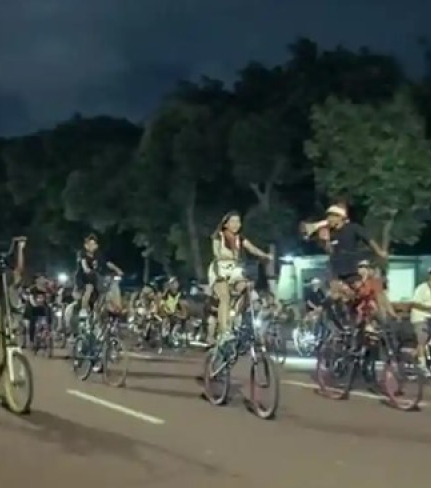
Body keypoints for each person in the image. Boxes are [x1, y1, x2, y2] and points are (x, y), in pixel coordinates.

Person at [208, 210, 272, 341]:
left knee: (247, 287)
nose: (236, 224)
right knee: (224, 297)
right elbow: (217, 253)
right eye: (233, 221)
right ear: (225, 224)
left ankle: (234, 316)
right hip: (220, 270)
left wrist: (265, 255)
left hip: (234, 270)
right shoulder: (219, 236)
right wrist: (230, 256)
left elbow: (252, 248)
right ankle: (224, 330)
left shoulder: (240, 238)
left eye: (238, 221)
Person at [74, 234, 123, 324]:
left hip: (94, 276)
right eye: (90, 244)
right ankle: (83, 310)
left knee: (105, 290)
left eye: (94, 244)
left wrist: (117, 269)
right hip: (83, 277)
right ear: (86, 245)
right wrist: (86, 269)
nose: (92, 246)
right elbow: (83, 263)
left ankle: (101, 311)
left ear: (96, 245)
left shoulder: (98, 254)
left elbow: (107, 263)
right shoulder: (82, 253)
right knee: (89, 288)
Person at [410, 269, 431, 377]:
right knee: (423, 338)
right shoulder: (422, 288)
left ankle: (413, 355)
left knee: (425, 342)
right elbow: (414, 303)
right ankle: (422, 365)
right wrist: (428, 308)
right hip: (420, 317)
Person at [24, 274, 52, 349]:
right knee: (33, 321)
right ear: (37, 280)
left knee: (49, 316)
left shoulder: (47, 288)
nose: (43, 280)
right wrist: (35, 305)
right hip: (33, 306)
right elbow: (31, 298)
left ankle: (47, 332)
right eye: (41, 278)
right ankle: (31, 341)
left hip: (43, 306)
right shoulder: (32, 288)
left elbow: (51, 297)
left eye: (44, 278)